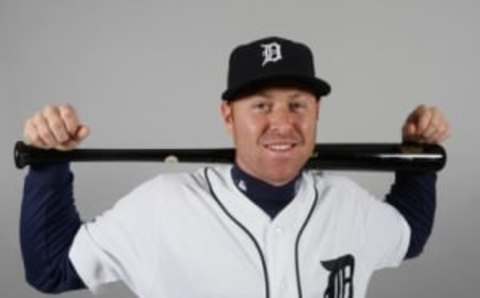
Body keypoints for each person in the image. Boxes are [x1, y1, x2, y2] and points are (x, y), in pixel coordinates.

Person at [20, 36, 451, 298]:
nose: (282, 122)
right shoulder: (163, 206)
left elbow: (409, 233)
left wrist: (417, 158)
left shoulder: (346, 203)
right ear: (228, 116)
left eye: (297, 105)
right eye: (261, 105)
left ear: (317, 112)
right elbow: (52, 268)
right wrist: (49, 165)